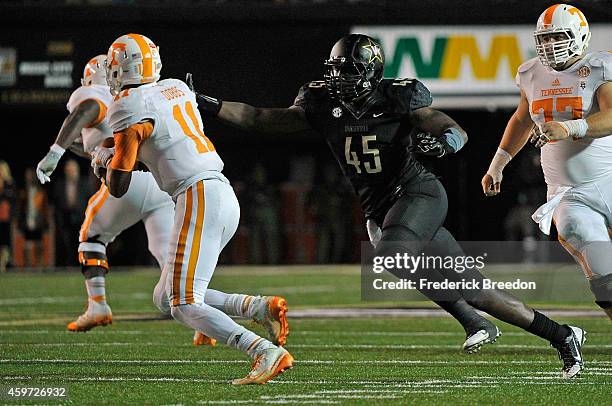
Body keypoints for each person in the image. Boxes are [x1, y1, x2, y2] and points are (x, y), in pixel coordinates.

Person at [191, 33, 586, 378]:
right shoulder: (320, 101)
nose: (339, 80)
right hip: (380, 207)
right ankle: (561, 334)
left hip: (419, 194)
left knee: (394, 254)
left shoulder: (397, 96)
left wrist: (446, 142)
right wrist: (206, 104)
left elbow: (449, 127)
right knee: (480, 292)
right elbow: (260, 118)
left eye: (349, 72)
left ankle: (469, 317)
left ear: (372, 73)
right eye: (336, 70)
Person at [101, 33, 293, 384]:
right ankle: (257, 307)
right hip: (219, 192)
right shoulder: (174, 87)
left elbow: (119, 185)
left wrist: (104, 162)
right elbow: (158, 139)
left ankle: (263, 350)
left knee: (184, 303)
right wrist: (112, 150)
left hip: (197, 197)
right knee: (165, 296)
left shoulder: (127, 105)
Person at [482, 4, 612, 321]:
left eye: (559, 37)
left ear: (581, 35)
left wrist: (570, 127)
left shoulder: (600, 67)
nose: (550, 46)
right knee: (602, 269)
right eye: (545, 38)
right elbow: (522, 119)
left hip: (610, 177)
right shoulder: (531, 73)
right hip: (569, 192)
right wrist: (498, 163)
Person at [35, 55, 176, 333]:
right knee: (166, 252)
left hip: (126, 178)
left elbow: (86, 109)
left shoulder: (94, 95)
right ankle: (196, 312)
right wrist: (71, 150)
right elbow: (93, 147)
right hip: (158, 181)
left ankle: (97, 306)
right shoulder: (137, 95)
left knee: (92, 234)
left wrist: (55, 152)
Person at [51, 159, 91, 266]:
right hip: (65, 219)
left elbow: (91, 201)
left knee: (81, 243)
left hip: (81, 219)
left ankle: (82, 263)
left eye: (72, 169)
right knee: (68, 243)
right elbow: (56, 204)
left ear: (77, 170)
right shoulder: (60, 185)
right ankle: (70, 265)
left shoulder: (85, 183)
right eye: (68, 169)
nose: (70, 171)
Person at [17, 168, 49, 267]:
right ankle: (27, 265)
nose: (29, 178)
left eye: (31, 175)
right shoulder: (24, 192)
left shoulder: (41, 192)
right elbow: (20, 208)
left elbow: (44, 209)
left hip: (38, 221)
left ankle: (39, 265)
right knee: (27, 245)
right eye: (27, 176)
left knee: (39, 244)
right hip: (27, 221)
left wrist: (45, 221)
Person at [0, 160, 15, 272]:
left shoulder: (9, 183)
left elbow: (12, 198)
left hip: (5, 217)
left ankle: (4, 264)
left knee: (5, 241)